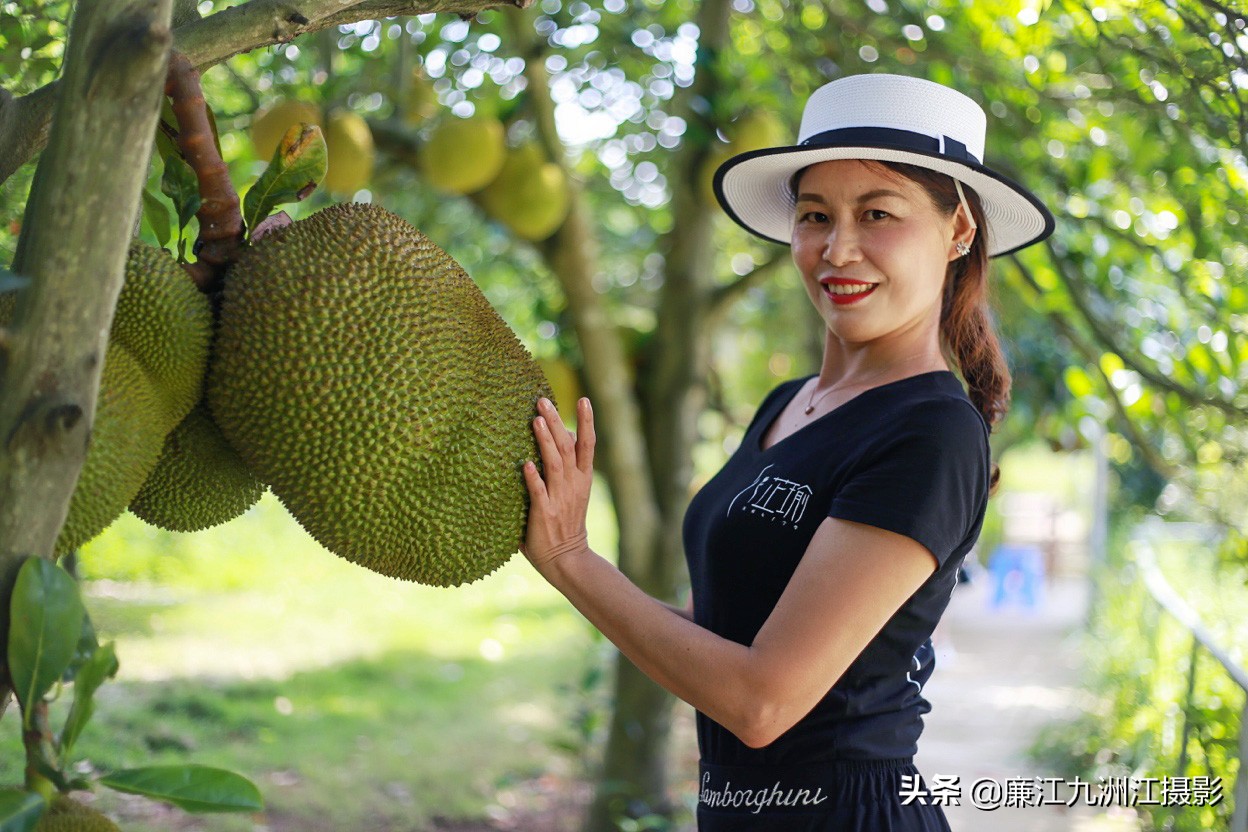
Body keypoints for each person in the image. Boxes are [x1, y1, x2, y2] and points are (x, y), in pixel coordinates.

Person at [519, 73, 1055, 831]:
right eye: (814, 215)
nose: (838, 249)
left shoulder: (931, 432)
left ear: (959, 230)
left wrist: (573, 561)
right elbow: (720, 638)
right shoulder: (788, 405)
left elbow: (761, 701)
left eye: (878, 214)